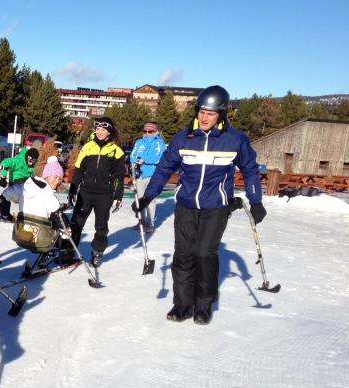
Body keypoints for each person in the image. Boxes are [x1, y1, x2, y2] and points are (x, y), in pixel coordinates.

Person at [134, 85, 266, 325]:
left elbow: (250, 169)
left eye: (211, 113)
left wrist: (256, 201)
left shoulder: (234, 140)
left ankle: (203, 304)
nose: (204, 118)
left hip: (216, 206)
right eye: (201, 112)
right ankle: (183, 303)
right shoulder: (184, 137)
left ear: (221, 115)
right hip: (186, 204)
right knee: (183, 254)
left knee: (204, 253)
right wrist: (148, 196)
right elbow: (165, 168)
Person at [67, 117, 126, 268]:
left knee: (101, 226)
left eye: (103, 130)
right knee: (76, 222)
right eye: (98, 129)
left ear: (109, 132)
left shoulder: (116, 151)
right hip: (85, 192)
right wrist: (73, 188)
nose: (99, 132)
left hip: (104, 195)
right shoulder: (87, 147)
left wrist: (118, 195)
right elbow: (79, 169)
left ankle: (97, 252)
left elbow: (119, 176)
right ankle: (69, 250)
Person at [2, 156, 75, 263]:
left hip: (20, 235)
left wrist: (5, 214)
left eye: (59, 178)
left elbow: (4, 196)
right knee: (63, 226)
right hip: (41, 239)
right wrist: (67, 231)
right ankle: (66, 252)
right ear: (46, 176)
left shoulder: (24, 186)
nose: (57, 181)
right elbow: (58, 216)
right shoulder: (47, 193)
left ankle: (45, 256)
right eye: (54, 177)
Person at [130, 120, 167, 232]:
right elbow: (133, 155)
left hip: (152, 175)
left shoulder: (159, 143)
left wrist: (144, 160)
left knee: (150, 199)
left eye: (150, 131)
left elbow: (158, 158)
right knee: (139, 199)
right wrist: (135, 161)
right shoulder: (139, 142)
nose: (147, 133)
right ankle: (141, 221)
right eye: (145, 131)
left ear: (155, 131)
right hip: (139, 174)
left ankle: (150, 224)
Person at [0, 144, 40, 221]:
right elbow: (4, 163)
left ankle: (28, 214)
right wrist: (3, 178)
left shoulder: (34, 163)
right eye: (29, 160)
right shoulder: (18, 161)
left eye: (33, 161)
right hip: (16, 182)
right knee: (8, 195)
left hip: (27, 182)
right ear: (27, 157)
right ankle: (5, 214)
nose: (30, 163)